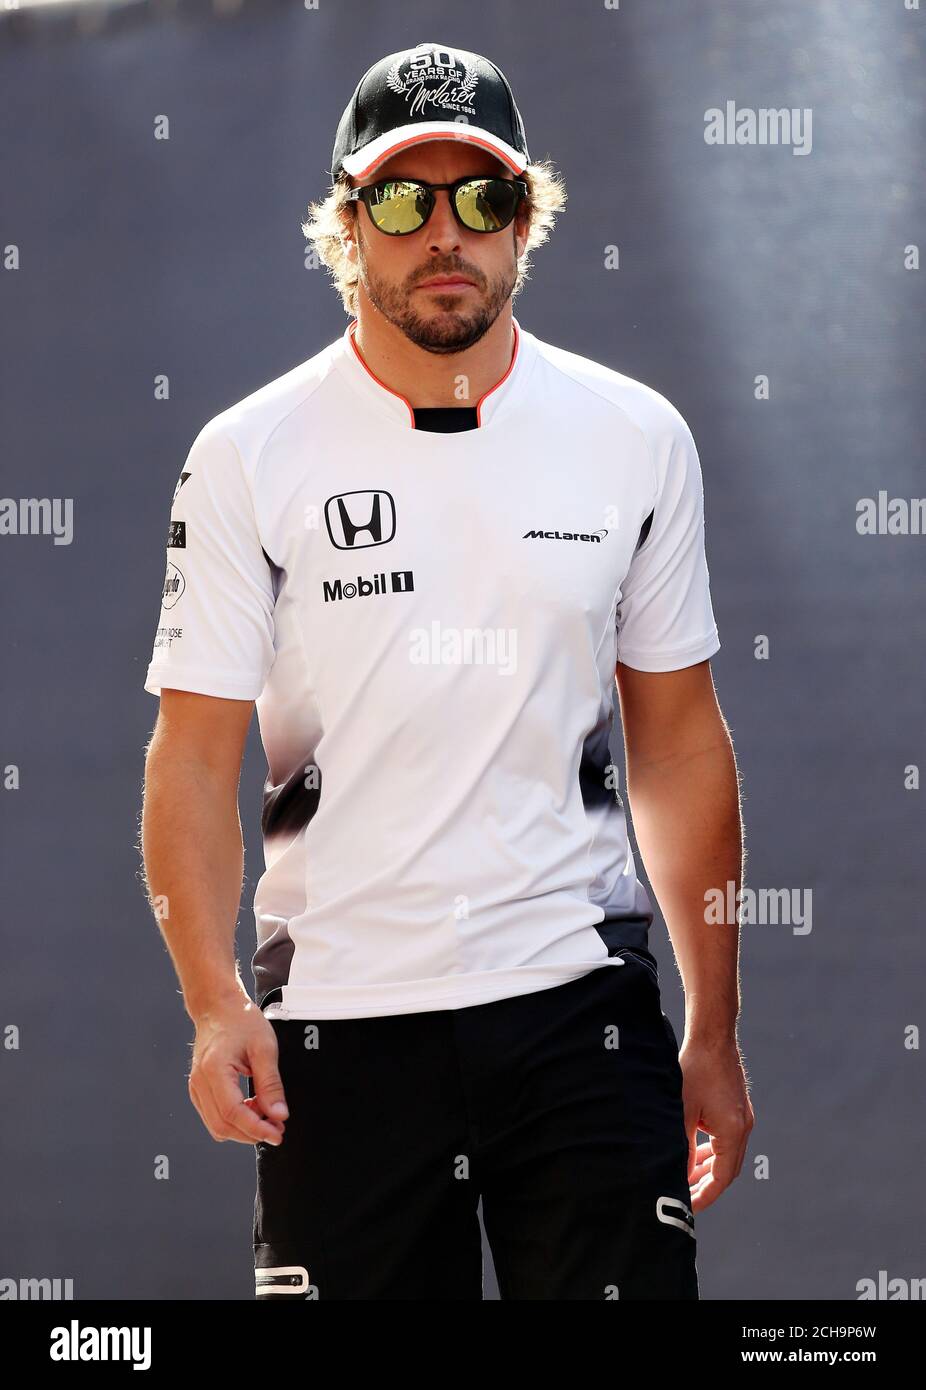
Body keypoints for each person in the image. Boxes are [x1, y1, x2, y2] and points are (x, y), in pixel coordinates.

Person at [140, 41, 753, 1301]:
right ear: (346, 227)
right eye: (403, 201)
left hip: (579, 1008)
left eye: (478, 200)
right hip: (338, 1029)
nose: (443, 236)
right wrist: (212, 1005)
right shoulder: (249, 453)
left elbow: (679, 739)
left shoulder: (633, 437)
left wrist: (712, 1029)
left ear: (525, 220)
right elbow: (194, 756)